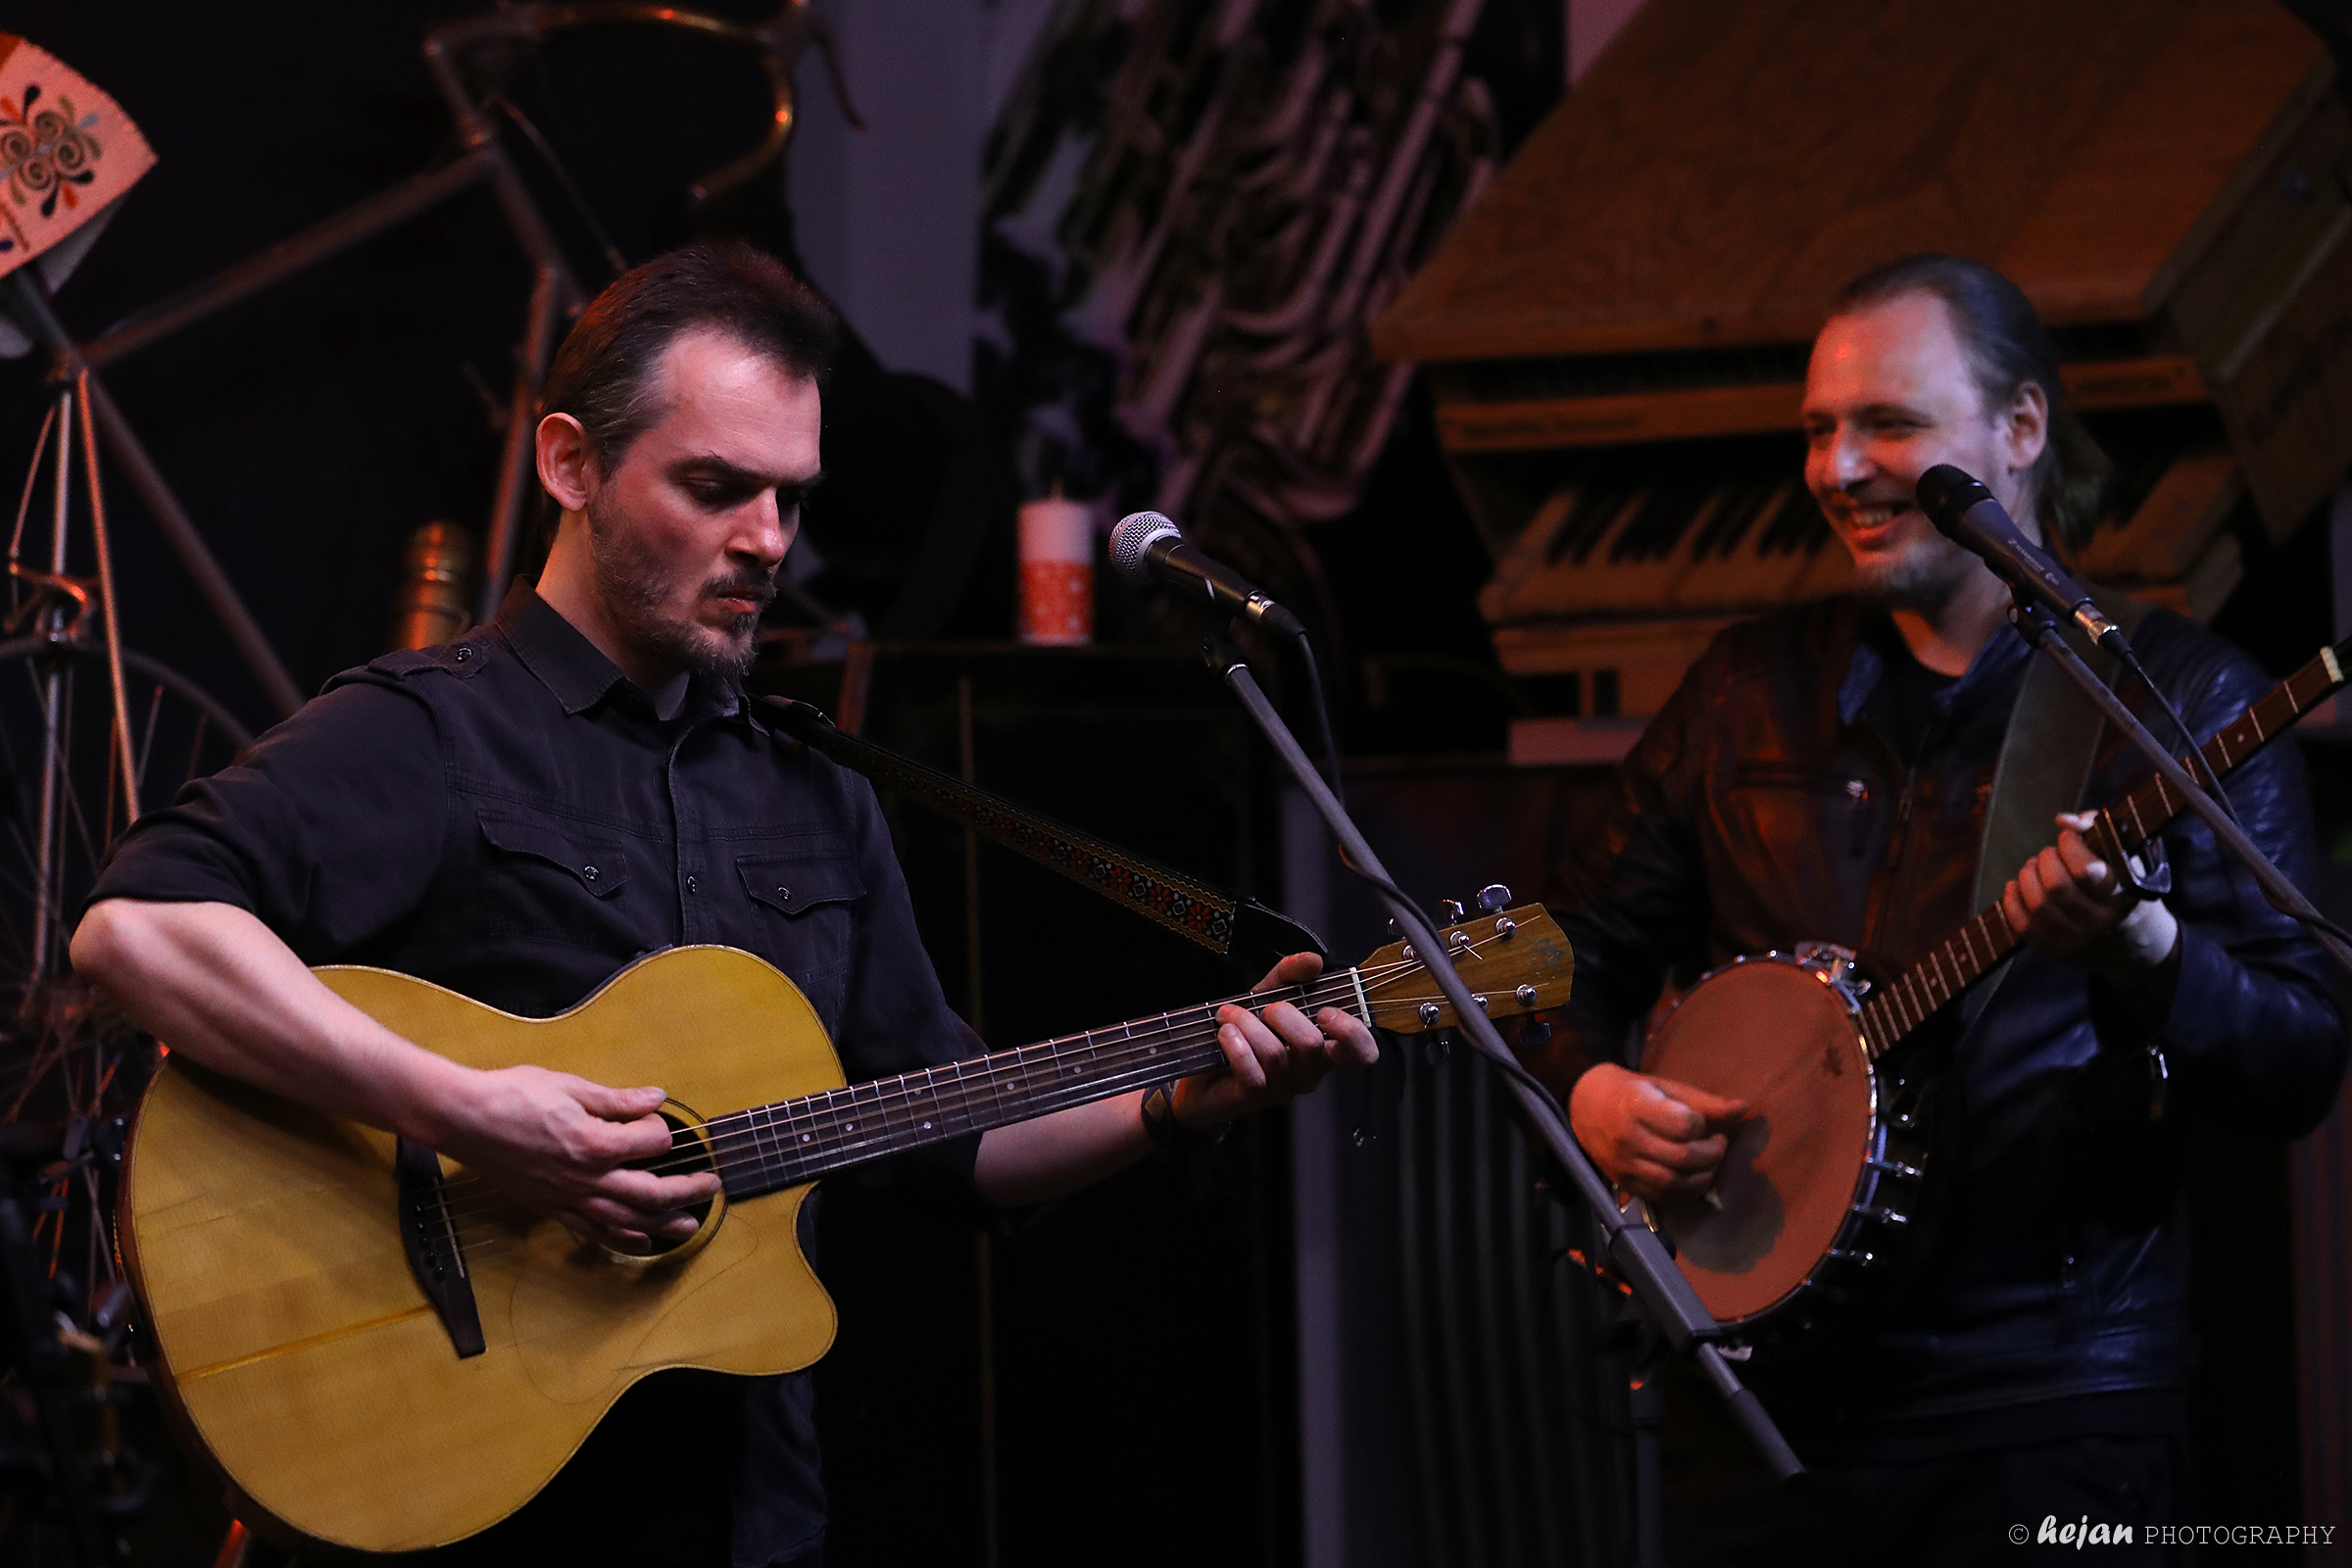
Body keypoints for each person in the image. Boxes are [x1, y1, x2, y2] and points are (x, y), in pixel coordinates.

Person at [69, 241, 1377, 1567]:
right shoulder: (426, 733)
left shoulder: (816, 788)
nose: (764, 540)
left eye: (789, 500)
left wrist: (1175, 1098)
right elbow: (134, 931)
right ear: (571, 464)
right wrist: (467, 1111)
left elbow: (954, 1134)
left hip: (751, 1520)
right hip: (472, 1511)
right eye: (714, 487)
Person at [1526, 254, 2344, 1563]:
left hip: (2051, 1405)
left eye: (1888, 426)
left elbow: (2302, 1059)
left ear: (2019, 430)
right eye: (1818, 431)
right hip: (1761, 1407)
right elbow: (1550, 963)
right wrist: (1593, 1099)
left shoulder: (2181, 702)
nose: (1839, 468)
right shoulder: (1746, 694)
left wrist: (2146, 949)